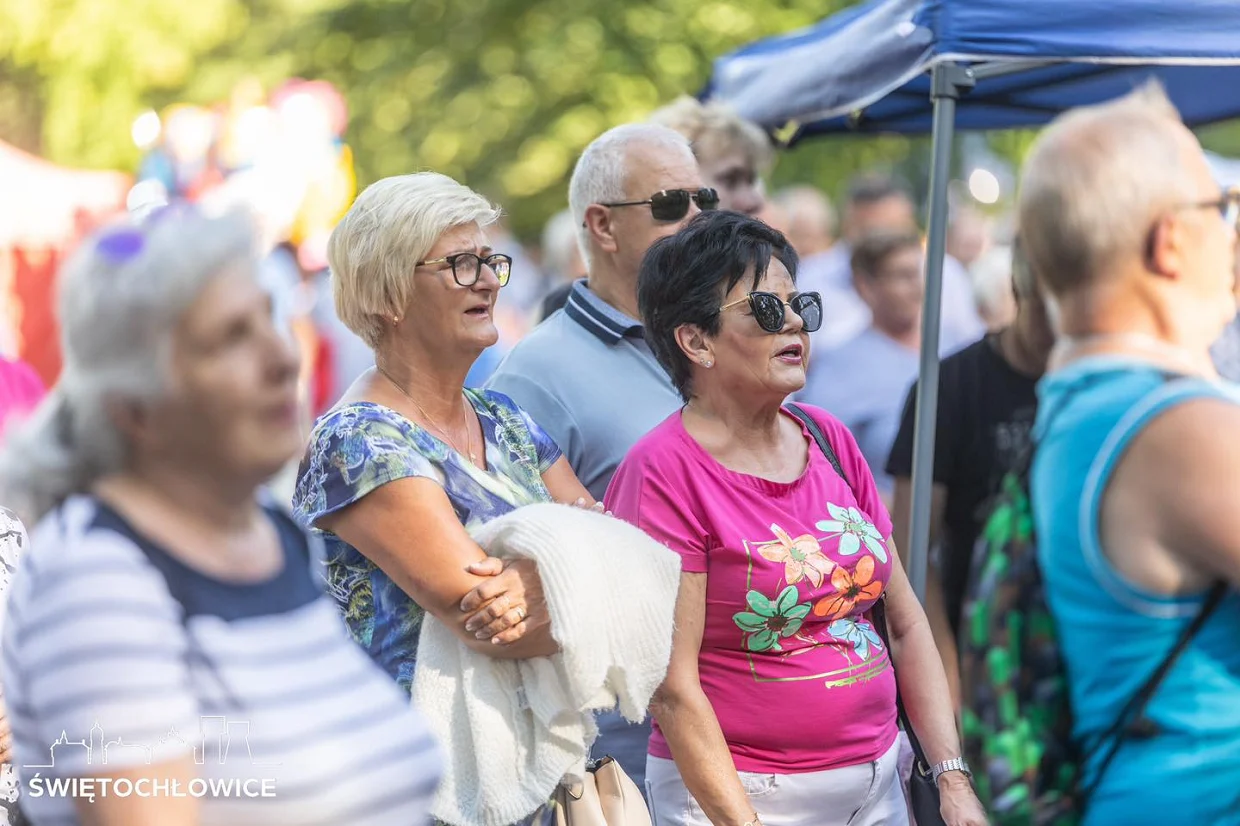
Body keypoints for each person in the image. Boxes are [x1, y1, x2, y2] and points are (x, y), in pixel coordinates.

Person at [0, 206, 441, 826]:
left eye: (267, 318)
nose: (284, 359)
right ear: (133, 406)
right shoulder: (97, 578)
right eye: (231, 338)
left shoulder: (269, 528)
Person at [607, 210, 986, 826]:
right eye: (763, 309)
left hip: (878, 784)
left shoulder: (826, 435)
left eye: (799, 305)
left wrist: (949, 776)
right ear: (695, 341)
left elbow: (907, 622)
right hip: (743, 798)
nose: (791, 323)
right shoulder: (663, 472)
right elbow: (672, 689)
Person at [1022, 83, 1240, 823]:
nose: (1234, 232)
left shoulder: (1082, 400)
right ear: (1170, 240)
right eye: (1223, 208)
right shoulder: (1178, 425)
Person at [487, 122, 711, 791]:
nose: (698, 220)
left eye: (707, 200)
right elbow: (522, 582)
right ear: (602, 227)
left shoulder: (716, 340)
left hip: (759, 728)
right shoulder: (534, 376)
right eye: (673, 205)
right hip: (637, 751)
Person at [886, 239, 1054, 705]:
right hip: (982, 650)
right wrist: (947, 678)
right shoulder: (950, 387)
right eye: (1050, 304)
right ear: (1020, 286)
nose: (1063, 324)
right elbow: (913, 549)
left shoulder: (1096, 384)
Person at [538, 102, 768, 321]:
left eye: (704, 199)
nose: (754, 200)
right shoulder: (572, 318)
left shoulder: (754, 291)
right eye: (730, 179)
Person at [801, 231, 947, 501]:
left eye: (918, 274)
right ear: (865, 286)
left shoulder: (950, 346)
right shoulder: (839, 364)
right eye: (903, 276)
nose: (917, 287)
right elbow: (817, 462)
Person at [800, 175, 985, 352]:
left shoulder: (945, 275)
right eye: (871, 234)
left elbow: (968, 342)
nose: (885, 248)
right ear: (848, 226)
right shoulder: (811, 278)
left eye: (893, 232)